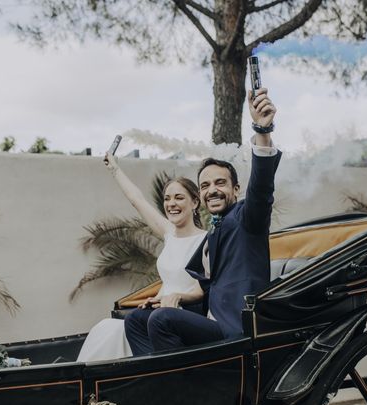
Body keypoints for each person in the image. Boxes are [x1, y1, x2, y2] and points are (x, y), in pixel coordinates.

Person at [125, 86, 280, 354]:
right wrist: (168, 298)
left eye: (220, 182)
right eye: (205, 185)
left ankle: (180, 387)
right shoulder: (212, 233)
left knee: (162, 319)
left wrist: (262, 131)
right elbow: (204, 289)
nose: (212, 189)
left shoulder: (247, 218)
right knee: (136, 320)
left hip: (237, 328)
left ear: (236, 189)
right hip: (209, 322)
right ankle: (153, 380)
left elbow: (262, 187)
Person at [77, 153, 207, 362]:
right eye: (167, 198)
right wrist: (115, 169)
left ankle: (153, 370)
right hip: (156, 308)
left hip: (182, 312)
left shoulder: (206, 240)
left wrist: (174, 299)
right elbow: (137, 200)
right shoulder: (168, 233)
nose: (171, 203)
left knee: (135, 320)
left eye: (179, 197)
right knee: (106, 328)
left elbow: (203, 288)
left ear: (195, 203)